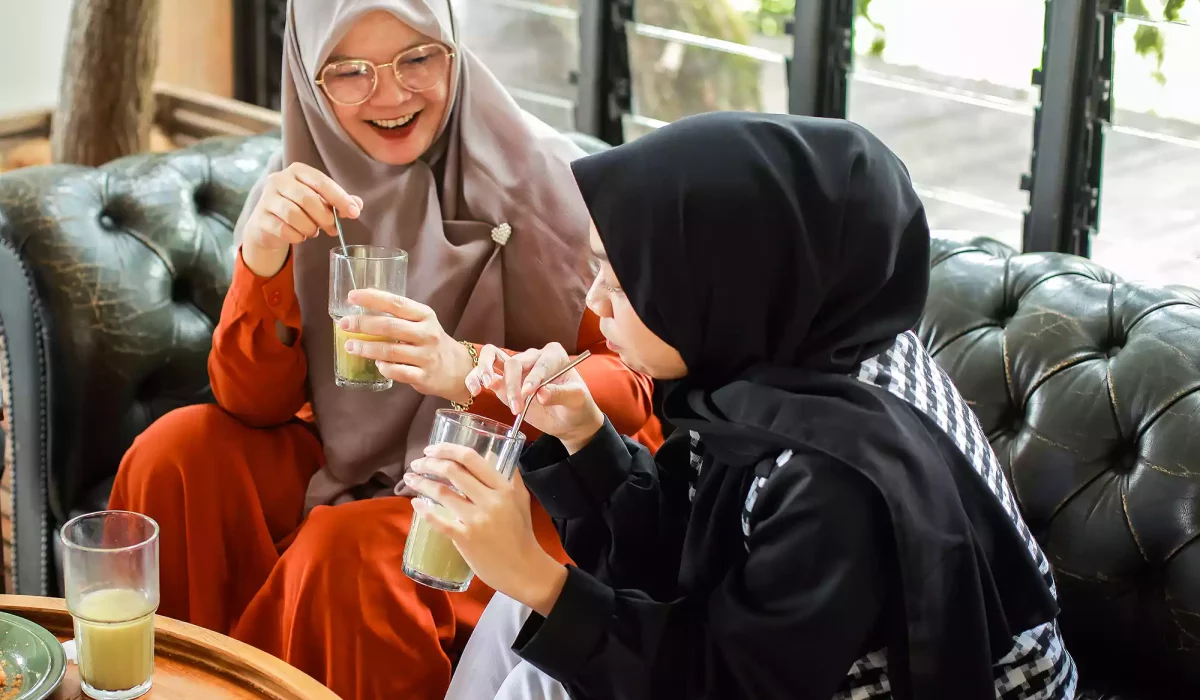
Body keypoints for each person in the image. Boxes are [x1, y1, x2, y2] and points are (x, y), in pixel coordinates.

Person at [406, 112, 1079, 699]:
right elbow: (692, 555)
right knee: (519, 618)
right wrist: (585, 436)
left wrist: (535, 573)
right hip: (776, 663)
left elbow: (730, 683)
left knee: (541, 655)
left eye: (621, 274)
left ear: (713, 280)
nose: (594, 303)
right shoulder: (791, 365)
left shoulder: (837, 473)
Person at [108, 1, 658, 698]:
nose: (391, 94)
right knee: (176, 456)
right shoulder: (299, 187)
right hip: (352, 451)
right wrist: (266, 257)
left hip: (514, 479)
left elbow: (631, 393)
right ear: (308, 81)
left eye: (418, 58)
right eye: (349, 71)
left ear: (454, 51)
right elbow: (251, 401)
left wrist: (468, 368)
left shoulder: (552, 180)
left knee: (352, 555)